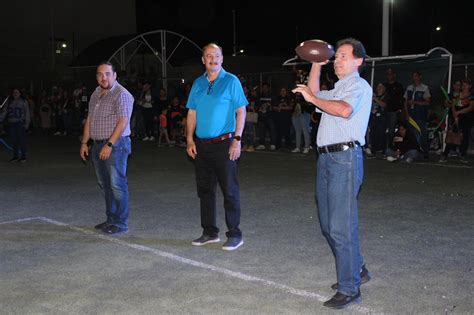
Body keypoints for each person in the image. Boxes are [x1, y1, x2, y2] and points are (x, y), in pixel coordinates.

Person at [292, 38, 372, 309]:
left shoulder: (359, 86)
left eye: (343, 56)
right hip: (326, 160)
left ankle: (350, 288)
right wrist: (316, 64)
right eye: (335, 56)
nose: (337, 60)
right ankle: (358, 267)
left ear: (358, 61)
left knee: (341, 226)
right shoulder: (339, 87)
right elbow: (314, 96)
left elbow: (344, 110)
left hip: (345, 159)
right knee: (328, 225)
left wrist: (314, 97)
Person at [186, 43, 248, 251]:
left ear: (222, 58)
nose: (213, 59)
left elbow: (241, 110)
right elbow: (192, 113)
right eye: (209, 55)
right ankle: (210, 232)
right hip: (202, 146)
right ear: (203, 60)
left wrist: (237, 139)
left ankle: (235, 234)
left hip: (225, 144)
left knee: (229, 190)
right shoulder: (197, 84)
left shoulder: (231, 81)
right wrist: (189, 139)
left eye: (217, 55)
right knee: (205, 191)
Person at [79, 61, 134, 235]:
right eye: (100, 74)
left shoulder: (121, 94)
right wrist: (84, 142)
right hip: (97, 144)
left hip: (115, 146)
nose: (104, 77)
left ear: (115, 75)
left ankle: (120, 222)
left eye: (107, 74)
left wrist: (109, 144)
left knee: (117, 185)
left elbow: (123, 121)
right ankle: (111, 219)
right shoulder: (96, 93)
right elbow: (90, 119)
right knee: (105, 184)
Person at [0, 88, 30, 162]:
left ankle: (23, 156)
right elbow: (4, 112)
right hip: (11, 123)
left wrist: (27, 123)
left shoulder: (23, 101)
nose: (15, 94)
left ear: (20, 93)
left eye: (16, 92)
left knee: (21, 140)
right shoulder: (9, 102)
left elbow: (27, 113)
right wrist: (0, 119)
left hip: (20, 123)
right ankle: (15, 156)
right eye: (14, 92)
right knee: (14, 141)